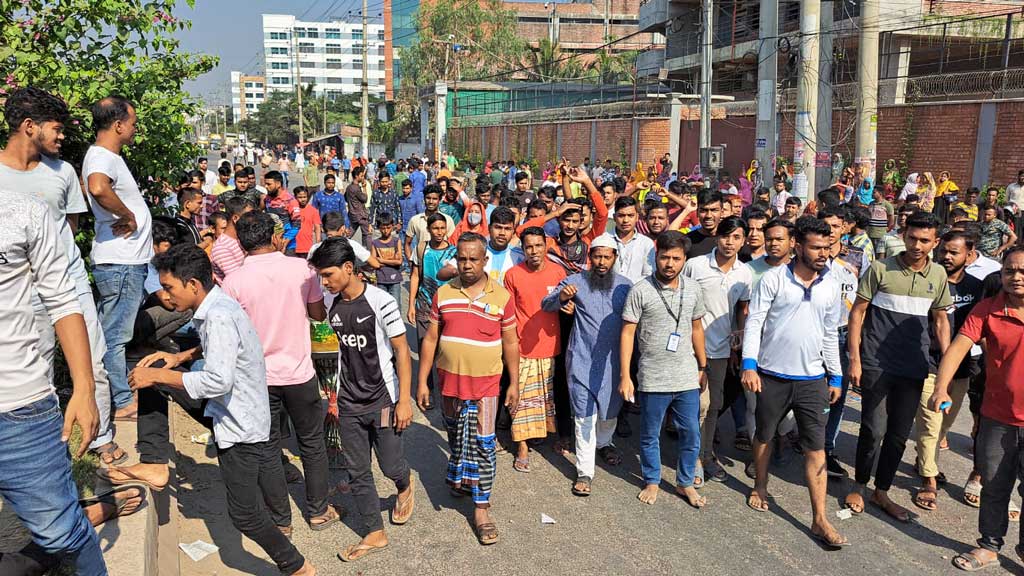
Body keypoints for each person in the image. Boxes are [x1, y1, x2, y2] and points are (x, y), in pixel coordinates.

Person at [106, 244, 315, 575]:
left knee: (245, 515)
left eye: (169, 287)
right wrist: (176, 359)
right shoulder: (215, 306)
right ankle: (155, 462)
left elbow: (218, 381)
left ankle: (298, 567)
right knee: (156, 373)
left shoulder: (218, 315)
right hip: (230, 409)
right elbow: (217, 350)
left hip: (238, 422)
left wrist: (161, 374)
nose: (165, 295)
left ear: (192, 285)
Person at [0, 87, 120, 466]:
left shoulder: (64, 172)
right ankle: (49, 444)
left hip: (69, 282)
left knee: (94, 362)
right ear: (29, 126)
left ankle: (100, 438)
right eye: (57, 128)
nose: (63, 136)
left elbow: (68, 228)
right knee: (38, 369)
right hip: (22, 292)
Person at [0, 186, 105, 574]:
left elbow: (62, 299)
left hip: (18, 409)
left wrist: (84, 388)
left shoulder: (22, 210)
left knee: (62, 534)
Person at [219, 212, 337, 532]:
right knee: (311, 443)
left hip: (258, 380)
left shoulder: (233, 282)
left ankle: (281, 521)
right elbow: (317, 314)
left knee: (268, 446)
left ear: (242, 244)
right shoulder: (301, 269)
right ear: (274, 237)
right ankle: (317, 511)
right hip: (299, 373)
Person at [741, 216, 848, 548]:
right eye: (816, 247)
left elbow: (830, 333)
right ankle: (760, 484)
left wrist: (836, 374)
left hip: (813, 381)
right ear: (797, 247)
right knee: (764, 434)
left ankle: (819, 518)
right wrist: (749, 365)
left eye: (827, 248)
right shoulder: (773, 280)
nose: (823, 254)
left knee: (815, 448)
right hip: (771, 376)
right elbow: (755, 322)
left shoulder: (831, 286)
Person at [309, 238, 416, 562]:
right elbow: (307, 307)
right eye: (320, 277)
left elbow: (401, 351)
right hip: (349, 402)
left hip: (383, 400)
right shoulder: (330, 303)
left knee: (390, 464)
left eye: (327, 275)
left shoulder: (381, 301)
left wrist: (404, 401)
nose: (323, 282)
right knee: (357, 470)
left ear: (348, 268)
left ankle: (404, 486)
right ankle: (374, 531)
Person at [844, 211, 951, 522]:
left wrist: (946, 362)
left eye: (925, 240)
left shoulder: (938, 275)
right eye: (912, 238)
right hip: (877, 362)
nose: (917, 245)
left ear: (935, 242)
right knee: (872, 429)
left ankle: (882, 491)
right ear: (903, 236)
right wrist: (855, 358)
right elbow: (857, 314)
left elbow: (941, 320)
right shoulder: (880, 268)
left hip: (915, 367)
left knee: (899, 434)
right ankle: (859, 485)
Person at [415, 233, 519, 546]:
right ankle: (461, 476)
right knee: (455, 435)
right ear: (455, 259)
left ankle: (482, 508)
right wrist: (422, 381)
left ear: (485, 260)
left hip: (486, 384)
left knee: (485, 445)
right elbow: (431, 339)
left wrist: (513, 383)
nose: (467, 265)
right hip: (448, 384)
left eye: (474, 259)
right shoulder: (444, 293)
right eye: (462, 258)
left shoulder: (501, 296)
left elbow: (511, 341)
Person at [927, 247, 1024, 571]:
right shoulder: (987, 309)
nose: (1016, 277)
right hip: (997, 417)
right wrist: (941, 387)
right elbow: (957, 348)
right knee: (995, 486)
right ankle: (989, 546)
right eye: (1010, 271)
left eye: (1022, 271)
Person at [620, 231, 708, 508]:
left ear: (684, 260)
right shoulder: (640, 290)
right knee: (650, 433)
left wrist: (703, 366)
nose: (669, 263)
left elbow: (696, 329)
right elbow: (627, 333)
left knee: (691, 432)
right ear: (656, 257)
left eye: (676, 258)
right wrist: (625, 375)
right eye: (664, 257)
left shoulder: (693, 289)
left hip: (686, 376)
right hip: (652, 376)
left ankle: (684, 482)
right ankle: (652, 479)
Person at [542, 235, 632, 496]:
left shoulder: (626, 287)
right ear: (589, 258)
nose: (601, 262)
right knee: (584, 415)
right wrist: (562, 299)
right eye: (597, 256)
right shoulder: (575, 282)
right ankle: (584, 471)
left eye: (607, 257)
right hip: (582, 358)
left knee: (611, 410)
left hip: (614, 362)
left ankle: (604, 443)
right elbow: (545, 304)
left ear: (615, 258)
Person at [83, 95, 153, 421]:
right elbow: (97, 187)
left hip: (123, 262)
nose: (135, 129)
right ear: (118, 124)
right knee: (115, 337)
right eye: (134, 123)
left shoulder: (105, 155)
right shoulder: (102, 157)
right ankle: (123, 402)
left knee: (113, 334)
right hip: (121, 262)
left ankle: (119, 394)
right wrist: (127, 214)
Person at [911, 231, 985, 513]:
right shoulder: (929, 280)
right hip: (930, 363)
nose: (947, 256)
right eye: (944, 251)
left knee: (944, 424)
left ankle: (923, 458)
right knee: (930, 423)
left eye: (954, 252)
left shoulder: (978, 288)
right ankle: (929, 479)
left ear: (969, 254)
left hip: (964, 366)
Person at [683, 216, 752, 483]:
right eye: (725, 236)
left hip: (722, 350)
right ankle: (693, 457)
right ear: (717, 238)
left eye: (736, 237)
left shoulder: (744, 273)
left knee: (714, 405)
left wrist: (738, 342)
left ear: (743, 240)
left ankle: (704, 454)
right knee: (695, 404)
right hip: (689, 348)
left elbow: (742, 310)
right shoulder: (695, 266)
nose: (729, 243)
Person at [503, 227, 566, 472]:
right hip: (522, 347)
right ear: (523, 248)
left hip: (550, 346)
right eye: (529, 246)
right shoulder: (513, 275)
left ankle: (539, 435)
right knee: (521, 400)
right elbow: (508, 314)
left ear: (546, 245)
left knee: (543, 400)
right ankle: (521, 447)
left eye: (538, 245)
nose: (534, 251)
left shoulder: (559, 272)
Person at [818, 207, 870, 478]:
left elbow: (865, 300)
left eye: (835, 227)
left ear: (845, 229)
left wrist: (858, 341)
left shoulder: (858, 258)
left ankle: (826, 449)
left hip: (843, 332)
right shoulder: (810, 254)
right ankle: (802, 440)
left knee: (837, 393)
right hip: (813, 332)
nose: (830, 232)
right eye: (825, 226)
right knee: (809, 390)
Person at [407, 214, 457, 409]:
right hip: (425, 306)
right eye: (435, 228)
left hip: (448, 308)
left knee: (447, 353)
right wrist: (411, 304)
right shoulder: (422, 249)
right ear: (428, 229)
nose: (439, 232)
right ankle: (427, 392)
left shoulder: (454, 252)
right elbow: (414, 277)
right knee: (425, 351)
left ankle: (448, 393)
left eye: (442, 228)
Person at [209, 196, 253, 283]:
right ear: (235, 218)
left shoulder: (242, 238)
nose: (252, 220)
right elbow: (239, 281)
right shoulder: (222, 248)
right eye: (248, 216)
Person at [371, 213, 404, 301]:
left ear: (392, 226)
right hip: (381, 279)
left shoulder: (396, 241)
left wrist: (382, 260)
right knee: (383, 305)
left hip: (395, 279)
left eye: (388, 228)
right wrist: (392, 260)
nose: (386, 231)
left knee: (396, 304)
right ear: (379, 228)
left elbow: (399, 261)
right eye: (383, 228)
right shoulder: (375, 243)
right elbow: (374, 263)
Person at [686, 190, 724, 257]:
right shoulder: (687, 241)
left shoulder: (730, 240)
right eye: (703, 210)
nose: (708, 216)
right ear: (697, 212)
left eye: (714, 210)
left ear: (722, 212)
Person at [346, 166, 372, 247]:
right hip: (361, 215)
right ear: (356, 176)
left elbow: (346, 198)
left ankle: (342, 246)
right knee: (367, 234)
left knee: (349, 234)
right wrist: (364, 188)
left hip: (353, 215)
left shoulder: (349, 187)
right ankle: (368, 252)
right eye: (361, 176)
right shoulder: (356, 188)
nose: (363, 177)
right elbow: (365, 199)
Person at [293, 187, 322, 259]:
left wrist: (318, 242)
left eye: (304, 197)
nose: (303, 199)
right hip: (292, 246)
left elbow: (317, 227)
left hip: (307, 247)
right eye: (300, 197)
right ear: (295, 197)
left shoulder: (313, 211)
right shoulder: (291, 209)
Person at [867, 185, 894, 258]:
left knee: (880, 255)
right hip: (870, 233)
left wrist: (889, 228)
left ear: (880, 193)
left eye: (874, 192)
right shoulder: (871, 204)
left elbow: (891, 218)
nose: (872, 194)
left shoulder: (887, 205)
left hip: (880, 234)